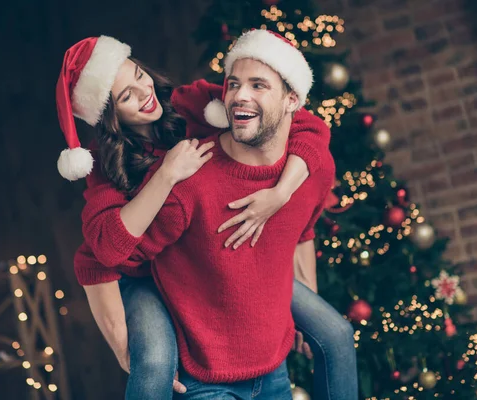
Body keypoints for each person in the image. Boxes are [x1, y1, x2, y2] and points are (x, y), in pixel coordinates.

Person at [56, 33, 357, 399]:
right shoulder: (107, 163)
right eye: (126, 96)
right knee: (152, 361)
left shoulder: (189, 103)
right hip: (142, 275)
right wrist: (167, 174)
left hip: (207, 262)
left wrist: (282, 192)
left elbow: (304, 123)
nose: (143, 92)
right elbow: (102, 252)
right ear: (109, 114)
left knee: (336, 333)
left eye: (138, 75)